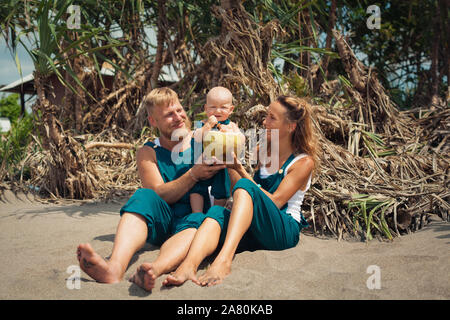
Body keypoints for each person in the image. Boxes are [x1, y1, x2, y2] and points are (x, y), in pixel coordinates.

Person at [76, 87, 226, 289]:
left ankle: (153, 270)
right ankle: (114, 267)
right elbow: (159, 193)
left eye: (179, 110)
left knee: (197, 221)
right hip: (162, 221)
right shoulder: (148, 151)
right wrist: (193, 175)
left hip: (194, 222)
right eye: (169, 114)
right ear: (153, 121)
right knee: (143, 196)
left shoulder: (205, 139)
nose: (178, 117)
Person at [162, 95, 318, 287]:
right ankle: (188, 265)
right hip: (255, 227)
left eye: (272, 118)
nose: (264, 121)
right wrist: (229, 161)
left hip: (282, 229)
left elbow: (276, 202)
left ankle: (224, 261)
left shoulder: (303, 162)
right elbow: (238, 190)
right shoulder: (263, 148)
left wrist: (241, 169)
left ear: (290, 127)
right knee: (217, 212)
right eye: (267, 116)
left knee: (246, 186)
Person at [189, 86, 240, 213]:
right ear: (206, 109)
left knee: (221, 189)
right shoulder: (202, 124)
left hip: (221, 166)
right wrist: (207, 126)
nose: (217, 110)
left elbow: (241, 140)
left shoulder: (231, 126)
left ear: (231, 110)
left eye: (223, 107)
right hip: (202, 163)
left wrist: (231, 134)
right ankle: (198, 214)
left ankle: (215, 213)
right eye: (212, 107)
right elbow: (196, 137)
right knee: (196, 188)